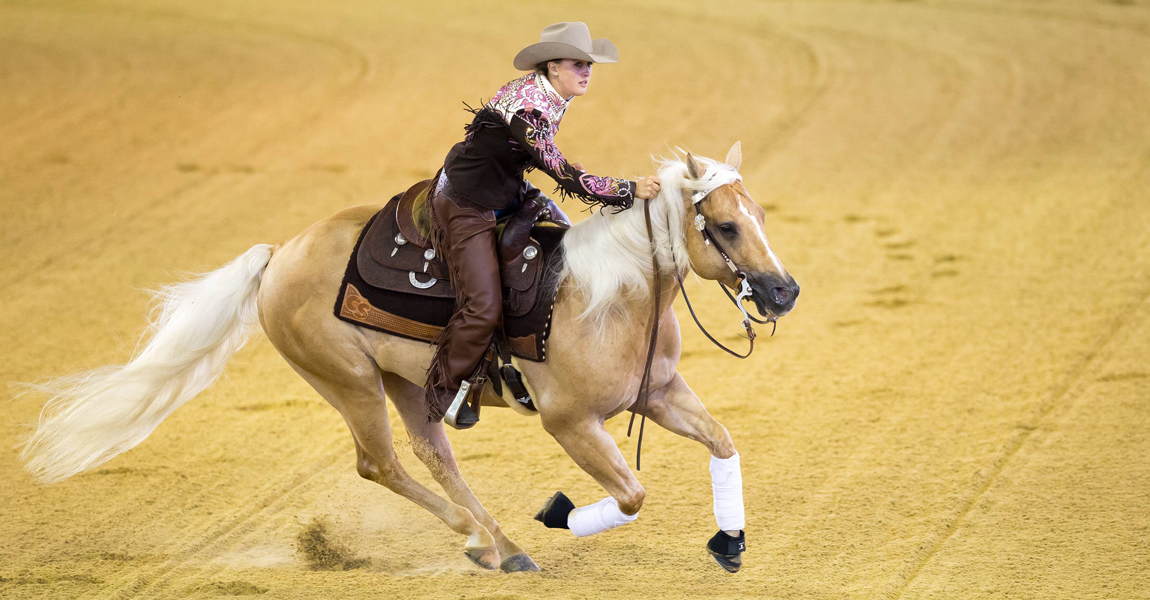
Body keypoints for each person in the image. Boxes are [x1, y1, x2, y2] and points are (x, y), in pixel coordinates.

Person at [426, 21, 662, 429]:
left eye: (589, 64)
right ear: (553, 67)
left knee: (566, 244)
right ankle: (446, 390)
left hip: (505, 189)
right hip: (467, 203)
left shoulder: (550, 93)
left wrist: (560, 163)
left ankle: (523, 358)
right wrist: (629, 188)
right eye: (578, 64)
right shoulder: (532, 105)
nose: (587, 72)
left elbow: (536, 151)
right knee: (483, 305)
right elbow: (565, 177)